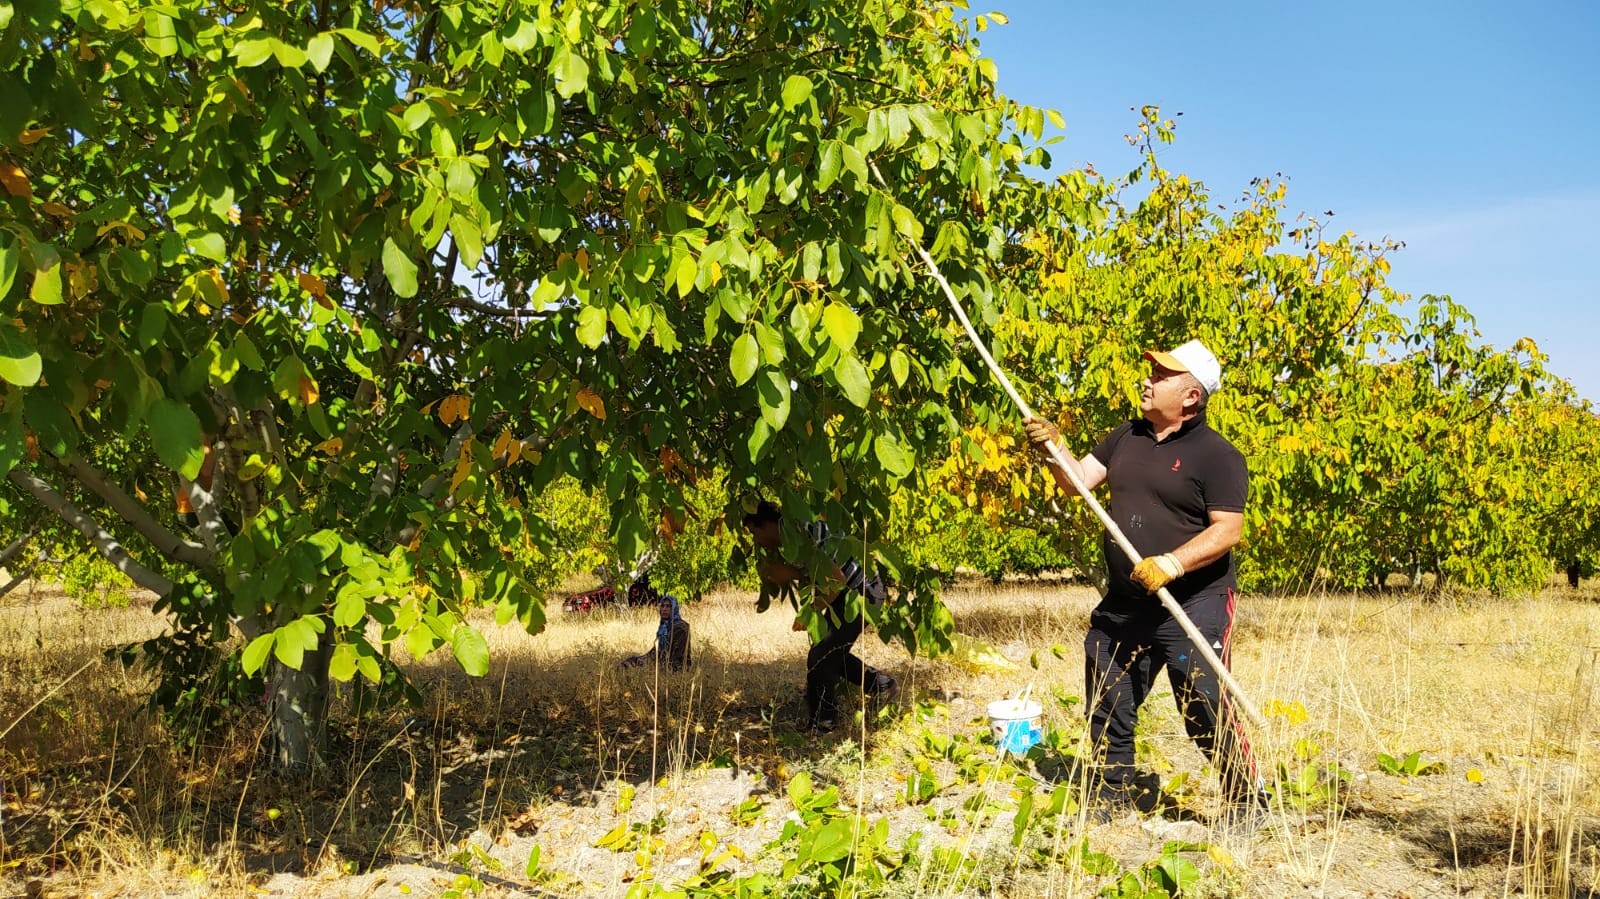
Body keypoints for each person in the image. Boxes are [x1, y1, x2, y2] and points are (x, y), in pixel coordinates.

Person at [1024, 339, 1263, 825]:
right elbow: (1076, 483)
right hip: (1129, 600)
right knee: (1107, 689)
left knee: (1203, 701)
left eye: (1161, 376)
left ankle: (1246, 800)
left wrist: (1172, 564)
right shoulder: (1126, 437)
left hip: (1195, 600)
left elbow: (1228, 529)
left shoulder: (1217, 456)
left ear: (1191, 396)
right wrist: (1055, 449)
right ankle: (1113, 790)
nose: (1147, 380)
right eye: (1150, 371)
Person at [741, 501, 896, 733]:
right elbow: (815, 572)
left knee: (821, 655)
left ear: (768, 526)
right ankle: (882, 685)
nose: (756, 540)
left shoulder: (805, 534)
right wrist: (788, 573)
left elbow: (837, 581)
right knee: (831, 653)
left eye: (755, 532)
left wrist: (811, 612)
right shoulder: (791, 543)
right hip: (847, 594)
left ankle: (824, 724)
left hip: (861, 593)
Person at [619, 595, 693, 672]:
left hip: (676, 667)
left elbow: (678, 656)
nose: (664, 609)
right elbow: (656, 651)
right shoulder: (664, 626)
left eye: (668, 606)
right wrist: (642, 659)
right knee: (629, 663)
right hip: (661, 662)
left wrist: (656, 666)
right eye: (662, 606)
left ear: (674, 608)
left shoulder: (680, 627)